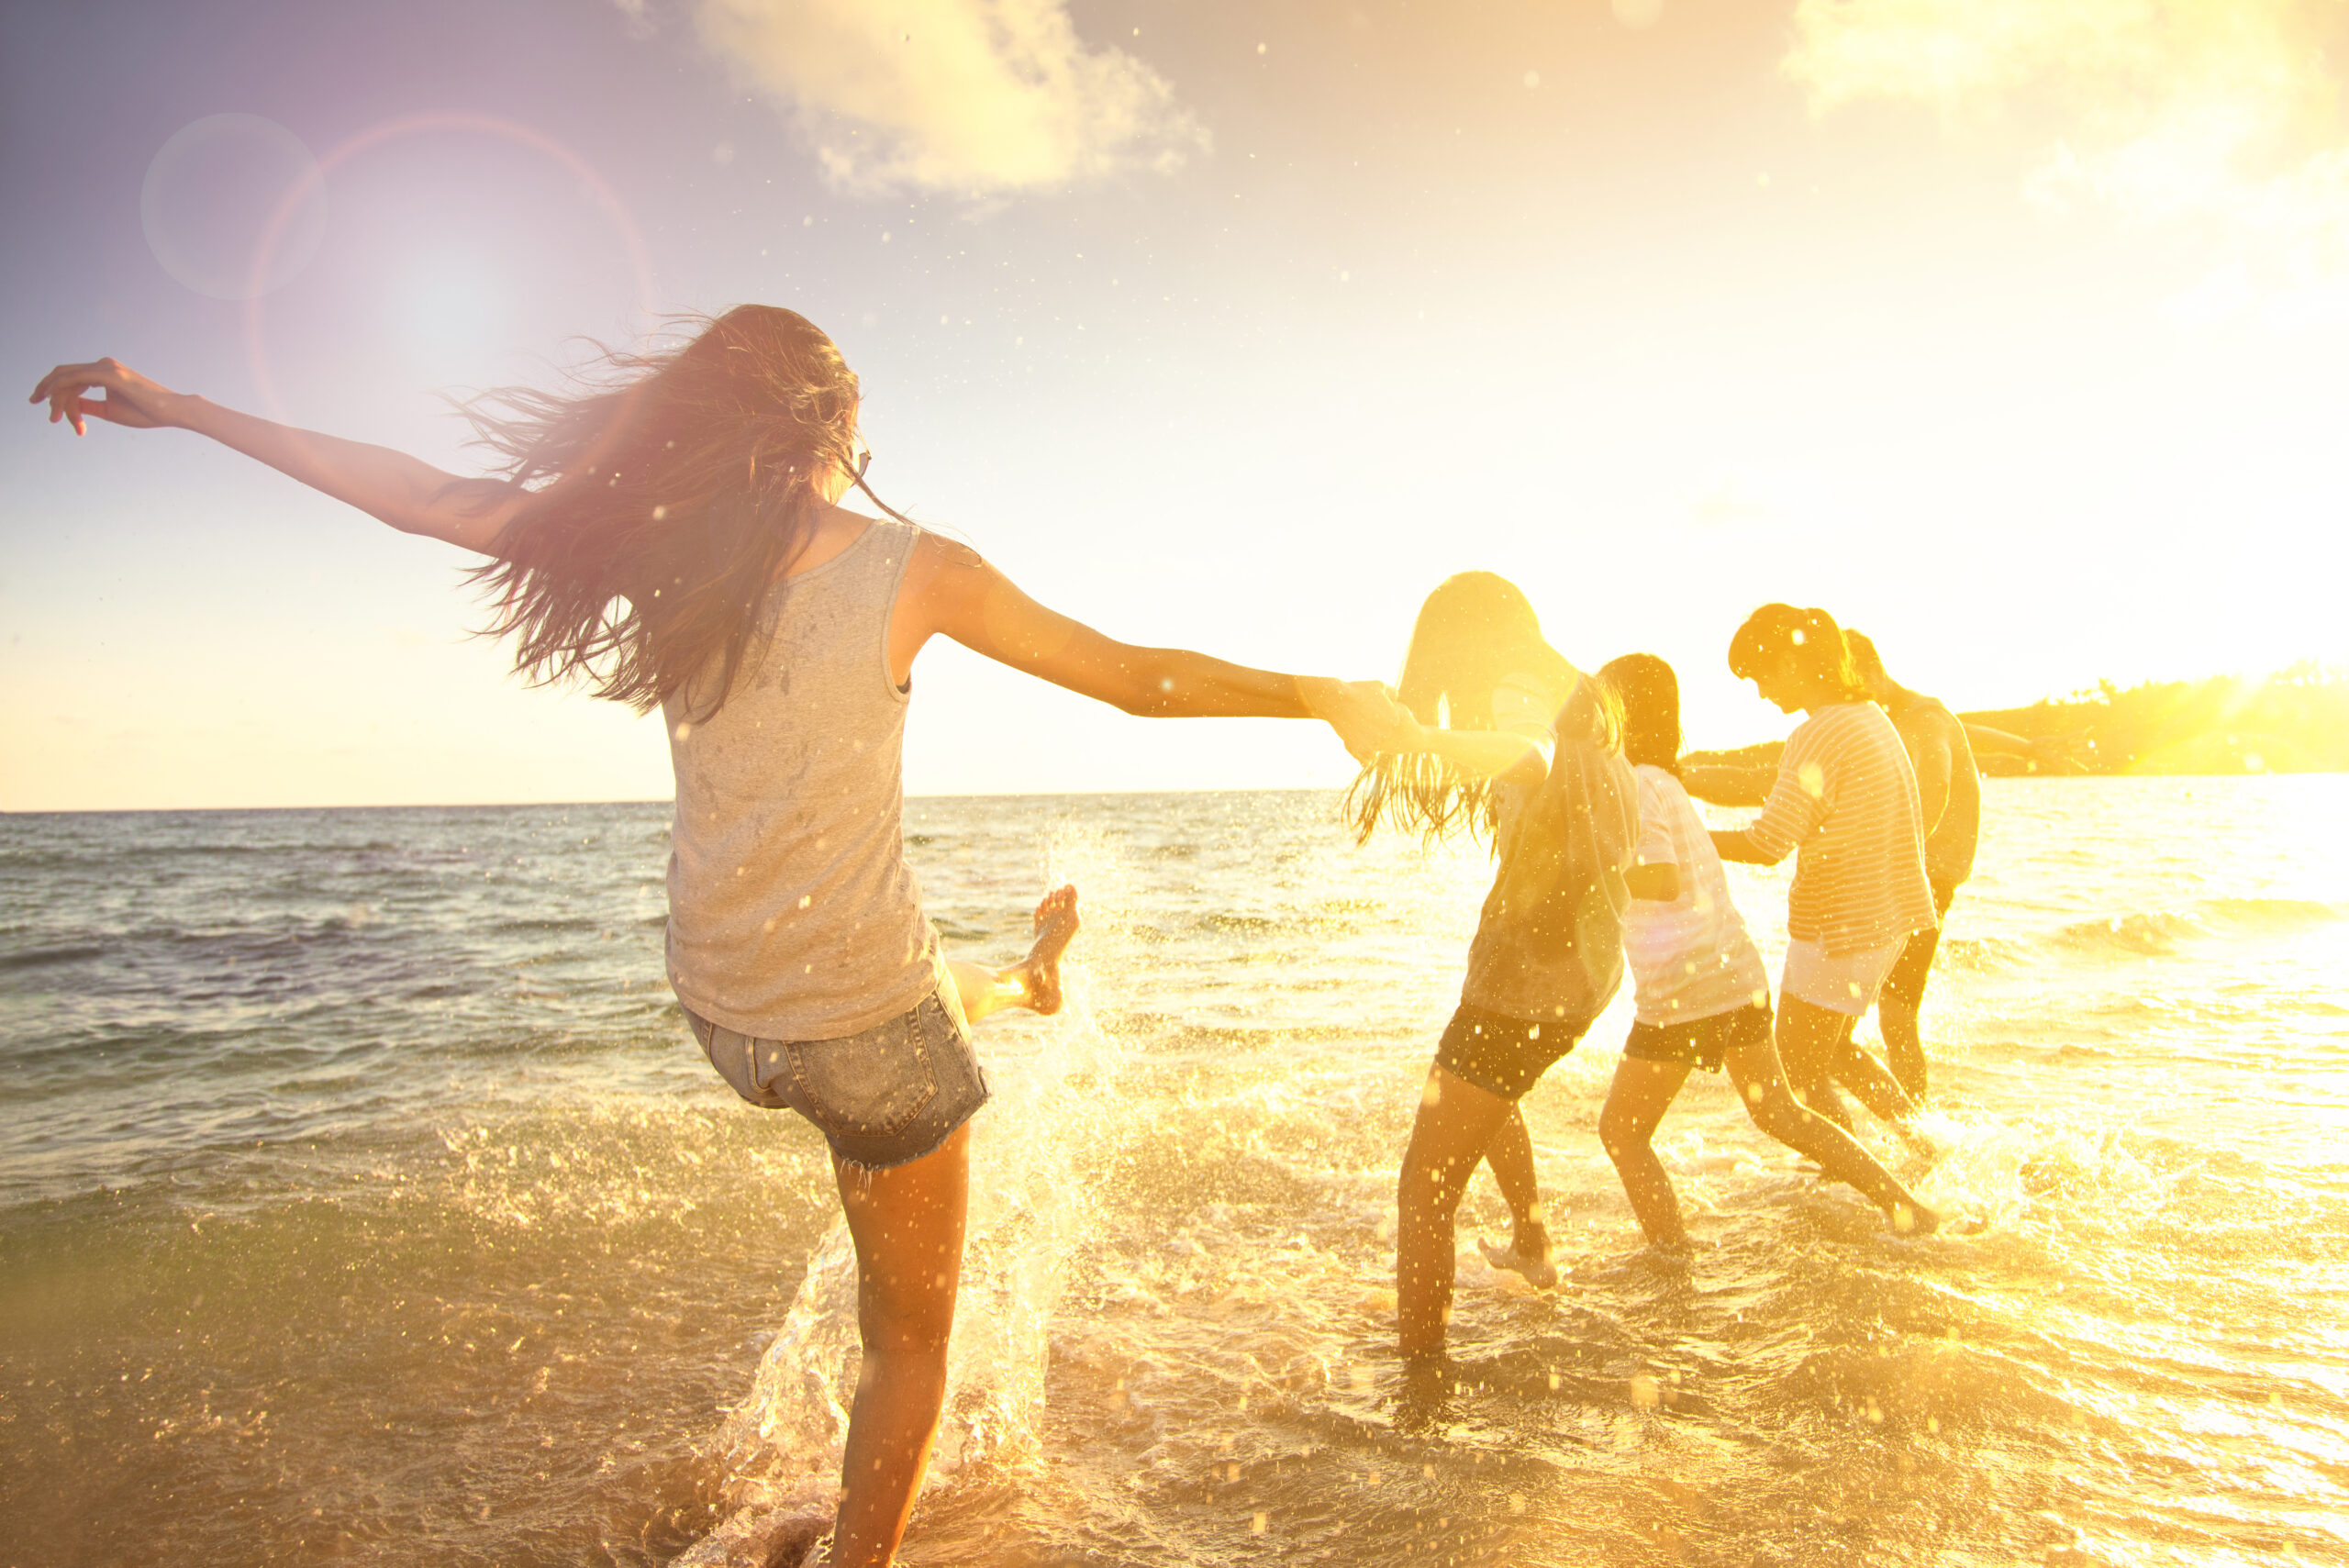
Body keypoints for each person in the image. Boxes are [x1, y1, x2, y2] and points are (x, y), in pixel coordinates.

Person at [30, 314, 1397, 1568]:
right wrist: (1317, 693)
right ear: (829, 433)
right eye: (861, 437)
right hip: (862, 1031)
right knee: (910, 1336)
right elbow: (1132, 682)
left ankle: (1024, 980)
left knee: (908, 1006)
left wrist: (192, 409)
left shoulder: (651, 549)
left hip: (726, 1019)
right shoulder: (919, 569)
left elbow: (417, 494)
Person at [1345, 572, 1635, 1367]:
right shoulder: (1580, 695)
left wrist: (1420, 740)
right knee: (1482, 1092)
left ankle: (1423, 1384)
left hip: (1527, 982)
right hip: (1578, 977)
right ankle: (1532, 1239)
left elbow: (1526, 754)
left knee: (1424, 1188)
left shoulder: (1516, 687)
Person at [1589, 654, 1937, 1251]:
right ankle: (1905, 1206)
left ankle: (1671, 1261)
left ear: (1621, 714)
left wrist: (1589, 875)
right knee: (1781, 1110)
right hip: (1732, 973)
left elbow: (1663, 879)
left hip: (1686, 987)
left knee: (1622, 1131)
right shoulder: (1664, 782)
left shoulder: (1641, 786)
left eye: (1598, 708)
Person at [1710, 605, 1938, 1163]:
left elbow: (1767, 844)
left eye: (1762, 676)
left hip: (1843, 929)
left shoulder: (1818, 733)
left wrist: (1687, 835)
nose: (1762, 693)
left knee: (1797, 1071)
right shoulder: (1868, 717)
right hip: (1889, 921)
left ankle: (1860, 1181)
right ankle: (1926, 1144)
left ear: (1791, 659)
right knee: (1834, 1052)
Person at [1842, 630, 1976, 1101]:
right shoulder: (1909, 715)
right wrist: (2028, 749)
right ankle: (1913, 1121)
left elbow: (1936, 783)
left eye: (1848, 684)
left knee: (1895, 1013)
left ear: (1868, 670)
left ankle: (1917, 1126)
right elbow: (1970, 732)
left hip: (1925, 876)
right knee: (1886, 1012)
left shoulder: (1920, 718)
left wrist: (1899, 857)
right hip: (1918, 874)